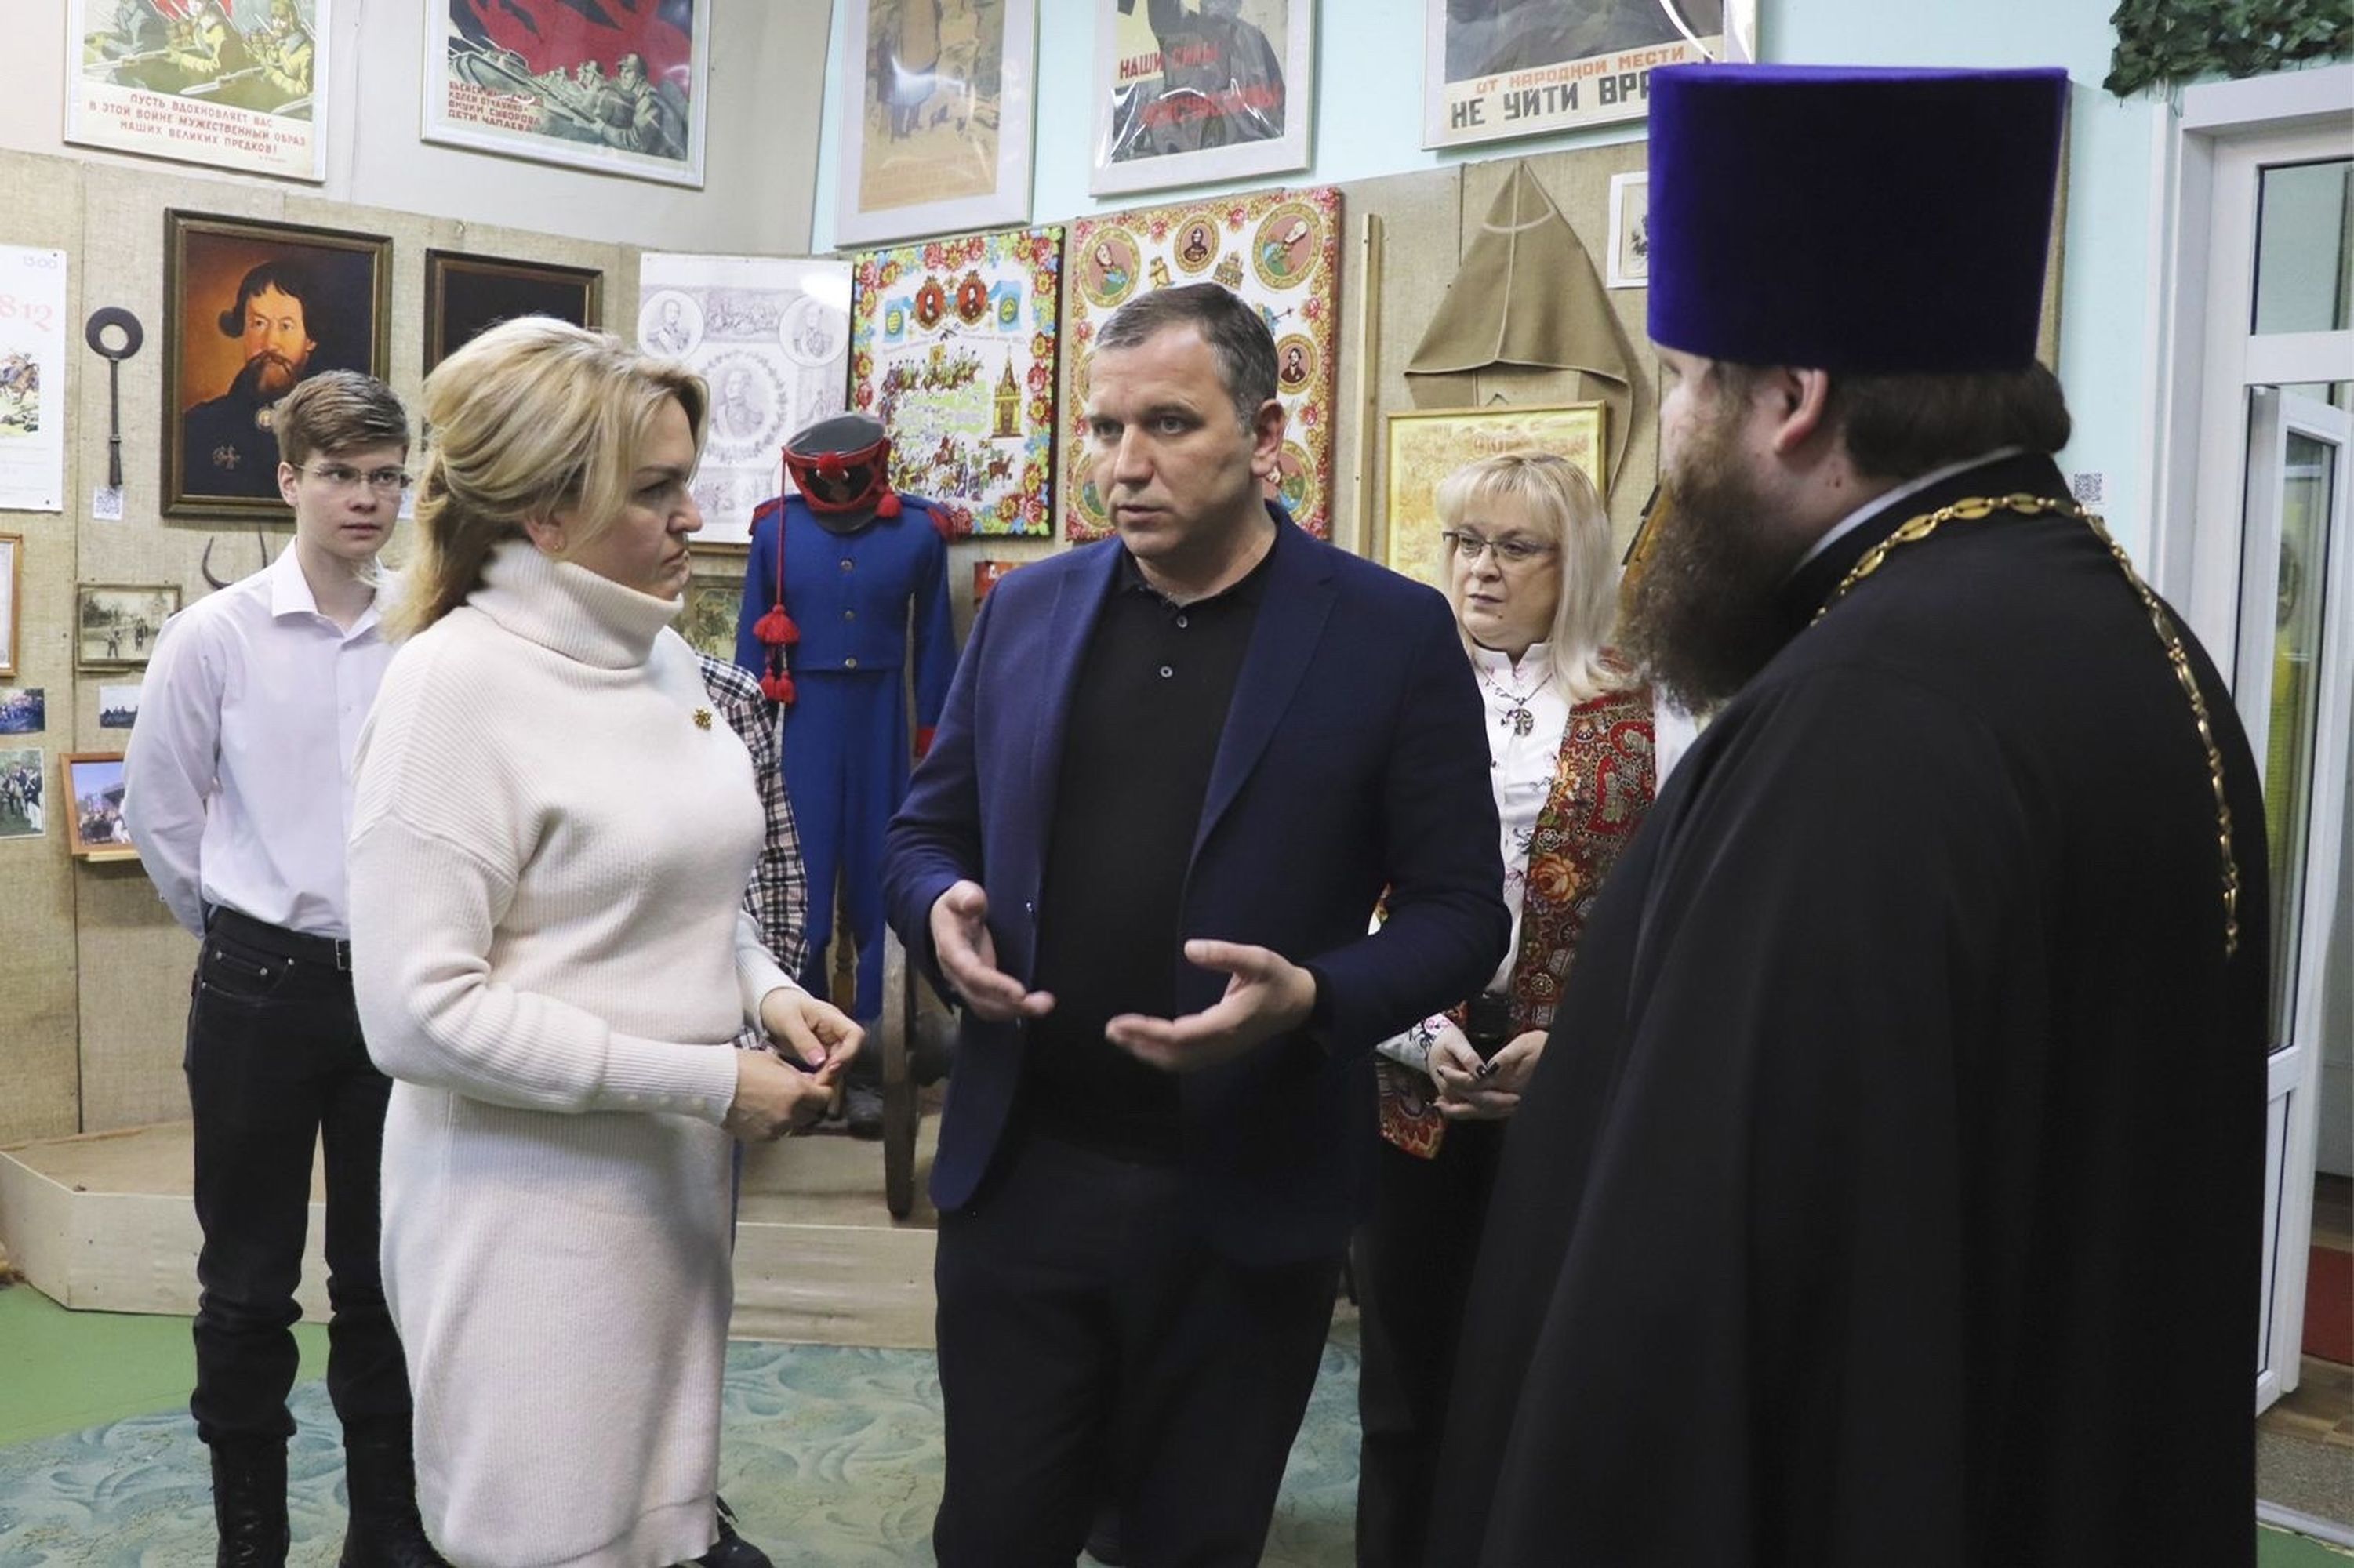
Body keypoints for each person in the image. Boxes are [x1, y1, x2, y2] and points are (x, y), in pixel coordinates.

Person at [1429, 64, 2270, 1566]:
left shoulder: (1861, 712)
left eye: (1683, 381)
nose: (1672, 438)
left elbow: (1714, 1273)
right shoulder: (2135, 634)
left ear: (1792, 396)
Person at [881, 281, 1508, 1566]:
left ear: (1265, 435)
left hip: (1245, 1193)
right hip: (1023, 1179)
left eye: (1167, 424)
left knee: (1189, 1543)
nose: (1125, 465)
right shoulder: (1025, 610)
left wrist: (1314, 999)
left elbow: (1458, 914)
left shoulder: (1388, 634)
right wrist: (938, 908)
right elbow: (921, 834)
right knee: (991, 1535)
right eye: (1104, 428)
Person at [346, 318, 862, 1568]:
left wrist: (763, 988)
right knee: (550, 1534)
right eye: (654, 490)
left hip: (665, 1191)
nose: (694, 515)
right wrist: (707, 1080)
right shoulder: (451, 688)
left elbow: (676, 888)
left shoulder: (659, 656)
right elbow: (417, 1016)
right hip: (524, 1217)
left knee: (656, 1522)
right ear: (544, 515)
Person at [121, 371, 445, 1568]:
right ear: (287, 481)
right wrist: (237, 932)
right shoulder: (216, 635)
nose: (365, 498)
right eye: (339, 475)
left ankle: (387, 1527)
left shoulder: (428, 630)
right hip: (259, 986)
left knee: (384, 1277)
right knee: (249, 1286)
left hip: (398, 988)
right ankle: (249, 1537)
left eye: (384, 477)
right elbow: (162, 815)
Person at [1351, 452, 1655, 1568]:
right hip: (1408, 1067)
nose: (1479, 569)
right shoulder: (1386, 692)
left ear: (1574, 563)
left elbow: (1672, 909)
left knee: (1547, 1366)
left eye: (1513, 546)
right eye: (1463, 542)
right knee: (1405, 1370)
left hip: (1572, 1075)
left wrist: (1575, 1039)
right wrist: (1410, 1025)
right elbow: (1335, 885)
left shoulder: (1647, 708)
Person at [736, 413, 955, 1139]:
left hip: (883, 720)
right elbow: (749, 646)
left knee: (877, 888)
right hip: (802, 721)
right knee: (800, 891)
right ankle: (806, 1062)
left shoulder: (918, 532)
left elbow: (935, 642)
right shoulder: (776, 531)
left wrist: (936, 737)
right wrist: (743, 738)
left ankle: (868, 1065)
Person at [180, 260, 325, 500]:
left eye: (286, 326)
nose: (270, 343)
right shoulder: (199, 427)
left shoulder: (334, 433)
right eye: (258, 324)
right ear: (243, 331)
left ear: (310, 339)